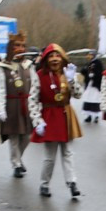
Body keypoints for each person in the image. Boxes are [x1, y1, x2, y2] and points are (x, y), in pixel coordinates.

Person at [28, 43, 82, 198]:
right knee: (49, 156)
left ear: (62, 57)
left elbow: (78, 94)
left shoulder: (68, 73)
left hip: (66, 115)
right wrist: (37, 120)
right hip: (49, 116)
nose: (54, 59)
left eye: (57, 55)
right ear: (46, 59)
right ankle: (44, 184)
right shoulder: (39, 75)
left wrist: (72, 81)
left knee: (68, 153)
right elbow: (32, 100)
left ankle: (72, 183)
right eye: (51, 56)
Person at [0, 31, 34, 178]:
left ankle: (18, 158)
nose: (20, 48)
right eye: (17, 45)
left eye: (23, 46)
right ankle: (16, 164)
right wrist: (0, 109)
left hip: (27, 105)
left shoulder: (28, 65)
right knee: (14, 137)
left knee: (27, 136)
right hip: (11, 105)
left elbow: (36, 86)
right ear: (10, 47)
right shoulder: (2, 67)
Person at [80, 50, 103, 124]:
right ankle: (89, 116)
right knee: (88, 99)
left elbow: (100, 73)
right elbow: (84, 71)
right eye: (88, 55)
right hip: (89, 84)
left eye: (91, 55)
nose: (89, 56)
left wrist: (94, 75)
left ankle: (96, 116)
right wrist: (85, 70)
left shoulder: (98, 63)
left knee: (95, 99)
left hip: (95, 85)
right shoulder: (89, 63)